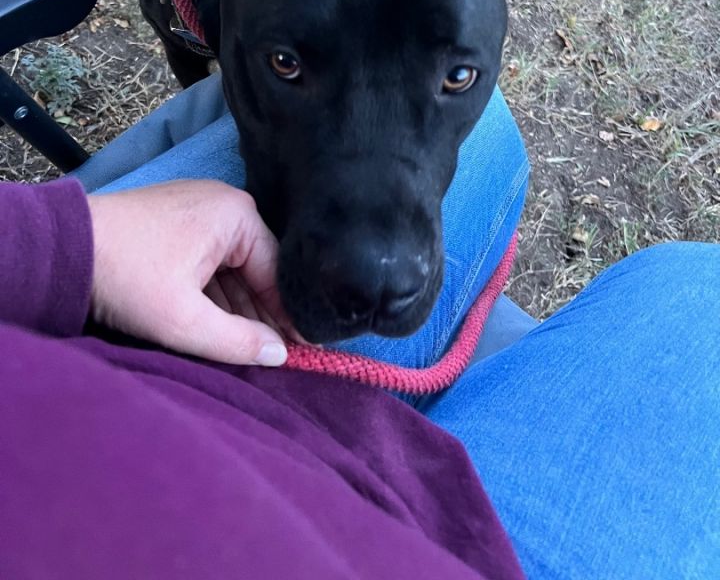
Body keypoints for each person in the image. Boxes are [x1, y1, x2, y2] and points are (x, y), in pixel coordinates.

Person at [1, 76, 718, 579]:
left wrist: (62, 243)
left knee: (482, 119)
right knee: (698, 300)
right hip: (433, 544)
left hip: (131, 365)